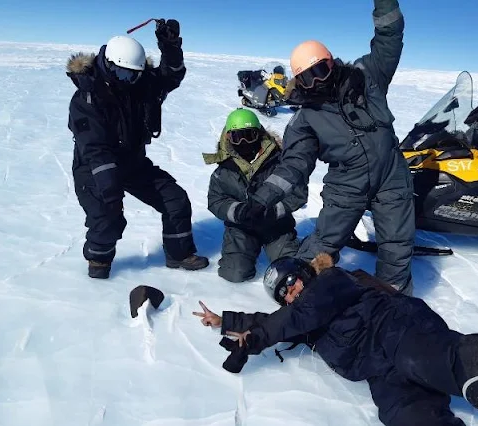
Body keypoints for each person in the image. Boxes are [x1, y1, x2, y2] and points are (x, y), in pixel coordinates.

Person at [193, 255, 478, 426]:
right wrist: (225, 320)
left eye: (293, 281)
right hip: (377, 370)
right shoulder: (301, 319)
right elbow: (277, 321)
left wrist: (256, 338)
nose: (292, 292)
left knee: (431, 359)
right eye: (284, 292)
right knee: (403, 414)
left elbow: (291, 318)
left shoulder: (333, 281)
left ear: (306, 273)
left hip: (395, 330)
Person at [232, 0, 416, 294]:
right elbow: (293, 166)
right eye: (307, 76)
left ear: (332, 62)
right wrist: (262, 198)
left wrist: (384, 3)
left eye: (322, 69)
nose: (318, 80)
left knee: (397, 243)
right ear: (299, 81)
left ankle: (393, 302)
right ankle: (300, 290)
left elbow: (389, 38)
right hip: (347, 184)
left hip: (392, 176)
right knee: (325, 243)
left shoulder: (365, 76)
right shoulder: (305, 119)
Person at [66, 20, 209, 279]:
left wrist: (171, 46)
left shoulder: (139, 84)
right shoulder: (87, 97)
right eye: (122, 74)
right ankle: (98, 264)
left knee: (175, 199)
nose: (128, 80)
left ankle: (179, 255)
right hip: (94, 166)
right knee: (108, 219)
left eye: (134, 74)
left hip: (132, 161)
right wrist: (110, 190)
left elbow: (172, 74)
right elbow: (95, 147)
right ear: (108, 65)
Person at [203, 109, 308, 282]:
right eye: (238, 137)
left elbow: (298, 193)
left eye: (249, 135)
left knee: (291, 271)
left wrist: (274, 211)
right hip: (242, 228)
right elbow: (215, 200)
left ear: (259, 134)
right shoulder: (224, 170)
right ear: (229, 137)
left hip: (276, 226)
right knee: (234, 274)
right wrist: (238, 212)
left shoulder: (279, 161)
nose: (244, 142)